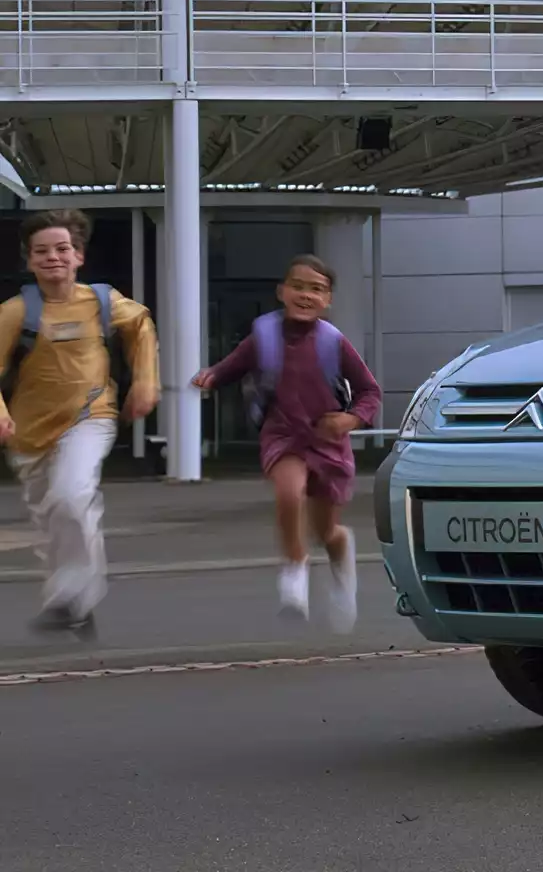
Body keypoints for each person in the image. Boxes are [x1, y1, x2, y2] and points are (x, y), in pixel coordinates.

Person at [193, 254, 380, 630]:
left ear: (328, 300)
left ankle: (341, 562)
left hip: (327, 440)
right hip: (283, 435)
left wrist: (349, 419)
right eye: (298, 286)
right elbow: (233, 365)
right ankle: (295, 573)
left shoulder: (333, 342)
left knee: (326, 531)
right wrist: (211, 376)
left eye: (317, 289)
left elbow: (369, 391)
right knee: (289, 494)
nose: (306, 295)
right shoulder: (263, 336)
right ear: (282, 291)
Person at [0, 210, 160, 636]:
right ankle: (76, 604)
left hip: (90, 415)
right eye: (42, 251)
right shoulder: (15, 312)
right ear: (30, 261)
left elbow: (141, 325)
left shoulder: (103, 302)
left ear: (79, 256)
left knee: (72, 497)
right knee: (55, 522)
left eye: (62, 249)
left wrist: (145, 381)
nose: (53, 257)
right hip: (29, 432)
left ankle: (70, 596)